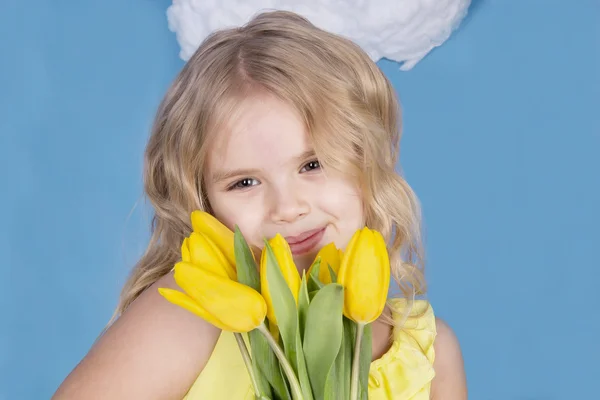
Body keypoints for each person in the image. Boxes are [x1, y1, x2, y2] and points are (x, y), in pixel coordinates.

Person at [53, 10, 467, 400]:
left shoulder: (427, 352)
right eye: (245, 182)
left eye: (313, 163)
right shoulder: (187, 319)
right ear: (203, 202)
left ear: (367, 160)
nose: (287, 208)